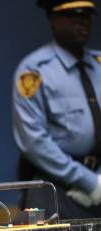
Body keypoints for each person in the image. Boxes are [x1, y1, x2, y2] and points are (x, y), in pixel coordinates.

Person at [13, 0, 101, 219]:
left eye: (87, 16)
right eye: (73, 15)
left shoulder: (99, 64)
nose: (83, 23)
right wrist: (88, 182)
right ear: (53, 20)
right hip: (55, 189)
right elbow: (34, 141)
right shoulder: (34, 71)